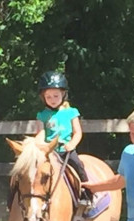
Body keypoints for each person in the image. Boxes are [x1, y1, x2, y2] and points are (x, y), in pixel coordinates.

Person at [35, 70, 93, 207]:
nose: (52, 100)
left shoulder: (71, 112)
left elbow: (78, 132)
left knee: (78, 165)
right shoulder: (42, 115)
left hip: (66, 149)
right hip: (49, 152)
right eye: (48, 97)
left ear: (63, 94)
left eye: (56, 96)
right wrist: (40, 145)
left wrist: (72, 144)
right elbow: (40, 133)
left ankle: (87, 193)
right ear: (43, 98)